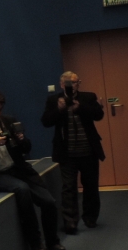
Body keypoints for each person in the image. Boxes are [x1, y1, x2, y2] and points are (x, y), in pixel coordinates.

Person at [0, 89, 64, 250]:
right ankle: (36, 244)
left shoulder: (9, 122)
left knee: (49, 201)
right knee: (22, 189)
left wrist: (22, 139)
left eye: (0, 110)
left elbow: (27, 148)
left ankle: (52, 241)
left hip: (18, 169)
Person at [41, 71, 105, 234]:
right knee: (68, 188)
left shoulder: (88, 97)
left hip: (88, 150)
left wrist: (80, 107)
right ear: (61, 84)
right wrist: (59, 109)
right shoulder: (54, 100)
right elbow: (46, 121)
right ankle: (70, 222)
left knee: (91, 186)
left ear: (79, 84)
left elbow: (99, 115)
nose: (72, 85)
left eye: (75, 82)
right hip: (67, 153)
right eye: (69, 83)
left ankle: (90, 218)